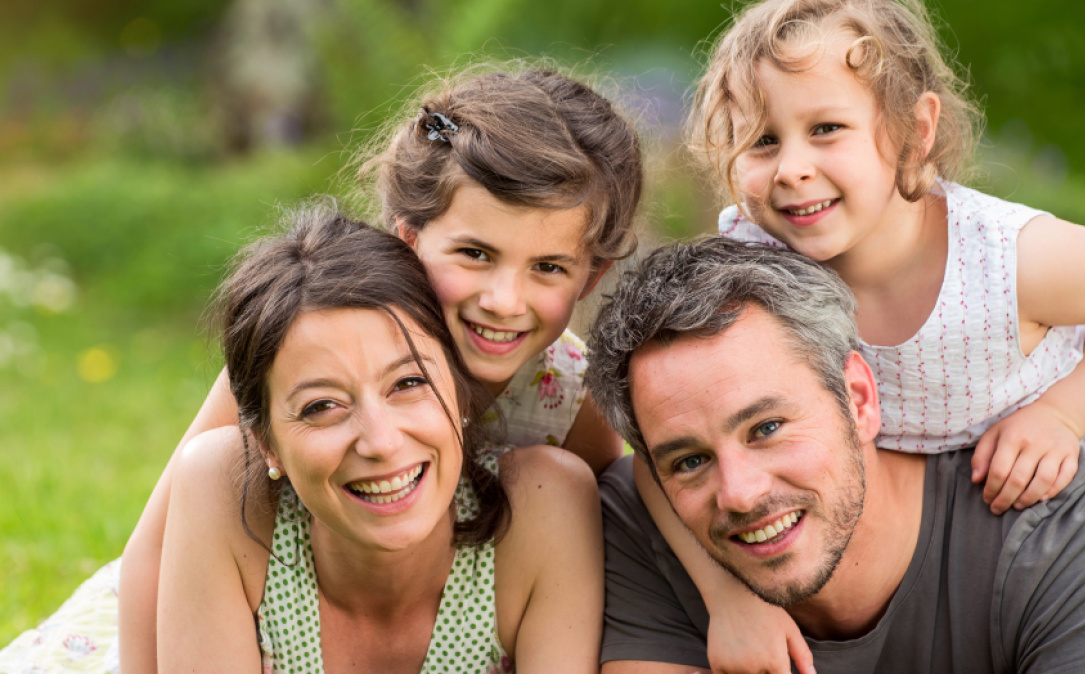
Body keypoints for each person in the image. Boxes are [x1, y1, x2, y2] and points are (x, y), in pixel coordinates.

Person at [1, 65, 642, 672]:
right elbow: (157, 546)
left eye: (548, 267)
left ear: (593, 275)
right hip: (193, 608)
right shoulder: (313, 352)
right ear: (408, 239)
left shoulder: (566, 390)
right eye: (475, 253)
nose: (503, 300)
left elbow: (608, 530)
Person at [628, 0, 1085, 671]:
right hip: (931, 529)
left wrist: (1062, 416)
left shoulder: (1006, 260)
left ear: (912, 130)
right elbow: (663, 450)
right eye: (762, 141)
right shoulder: (754, 263)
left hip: (1067, 467)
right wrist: (730, 598)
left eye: (827, 128)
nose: (790, 168)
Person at [586, 236, 1085, 673]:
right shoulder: (639, 530)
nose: (740, 493)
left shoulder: (1049, 529)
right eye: (688, 461)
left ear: (859, 399)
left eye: (766, 427)